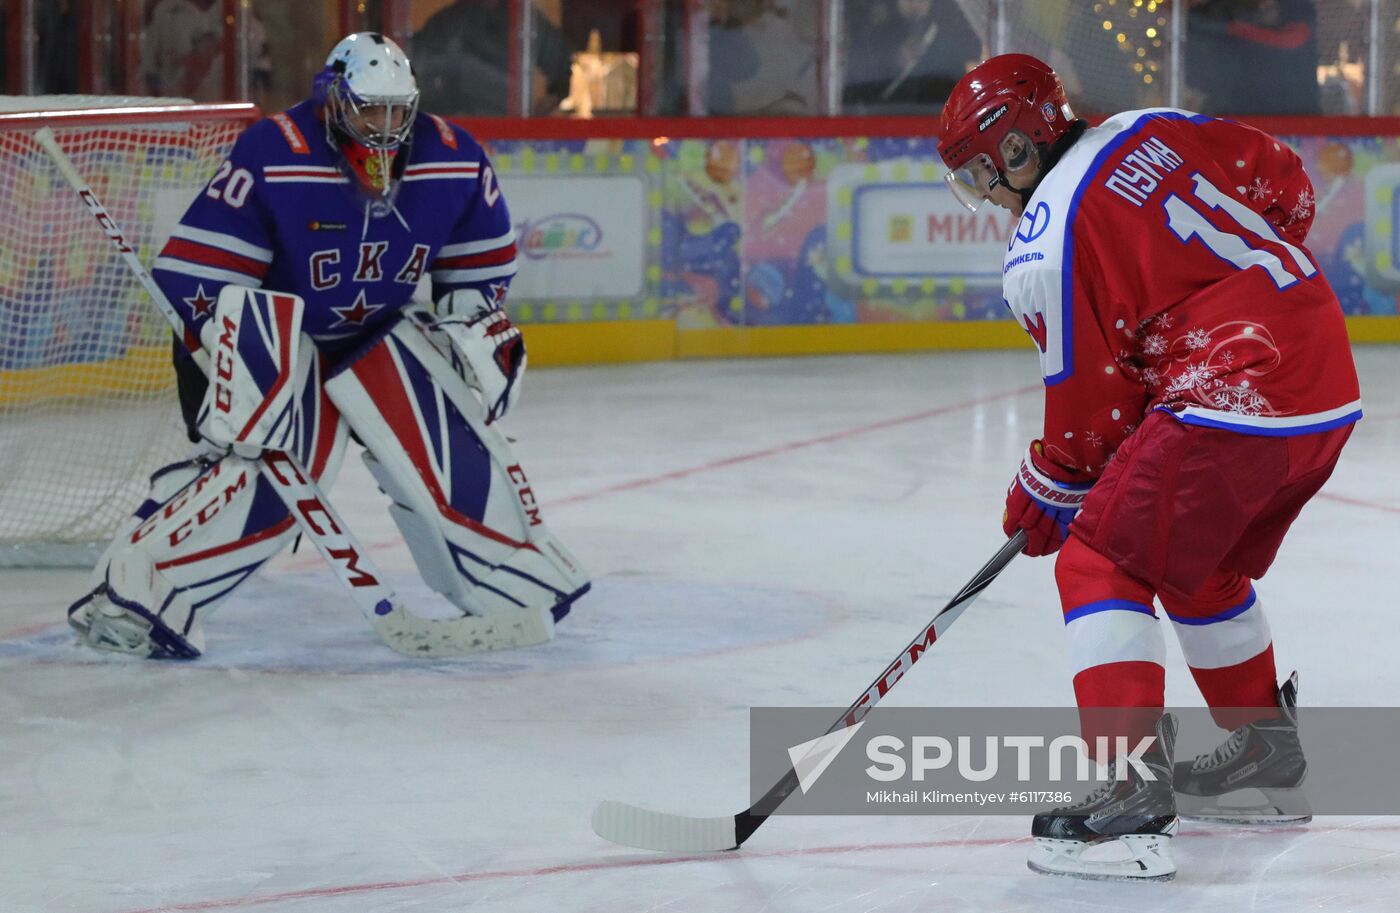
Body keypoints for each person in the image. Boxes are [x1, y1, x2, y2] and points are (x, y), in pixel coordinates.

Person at [937, 54, 1359, 880]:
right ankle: (1267, 763)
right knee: (1199, 567)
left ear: (1018, 151)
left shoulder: (1042, 241)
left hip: (1232, 395)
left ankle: (1127, 798)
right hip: (1325, 372)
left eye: (984, 172)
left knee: (1099, 559)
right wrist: (1237, 292)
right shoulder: (1149, 127)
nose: (986, 194)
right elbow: (1285, 181)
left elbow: (1092, 414)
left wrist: (1044, 484)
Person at [67, 33, 589, 659]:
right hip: (274, 342)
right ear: (333, 99)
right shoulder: (276, 152)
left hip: (370, 336)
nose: (385, 126)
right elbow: (197, 277)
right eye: (370, 109)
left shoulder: (453, 159)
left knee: (447, 442)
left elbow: (479, 280)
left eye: (398, 111)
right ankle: (138, 594)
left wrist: (474, 346)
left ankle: (515, 578)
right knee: (273, 478)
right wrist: (234, 354)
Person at [411, 0, 572, 116]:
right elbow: (416, 68)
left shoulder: (525, 19)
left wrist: (536, 117)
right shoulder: (449, 20)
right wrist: (437, 113)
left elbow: (561, 70)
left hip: (511, 133)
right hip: (459, 127)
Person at [841, 0, 980, 114]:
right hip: (883, 118)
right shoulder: (876, 37)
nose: (915, 4)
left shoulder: (944, 42)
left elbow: (955, 92)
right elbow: (858, 85)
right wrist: (896, 60)